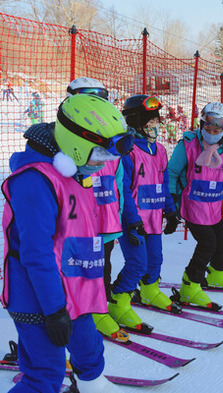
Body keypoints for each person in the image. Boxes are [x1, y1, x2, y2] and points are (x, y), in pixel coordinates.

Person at [2, 94, 130, 391]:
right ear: (76, 144)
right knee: (45, 375)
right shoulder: (35, 181)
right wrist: (54, 310)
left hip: (77, 291)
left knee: (90, 355)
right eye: (99, 155)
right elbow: (36, 253)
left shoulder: (76, 171)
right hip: (40, 299)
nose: (103, 165)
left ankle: (93, 386)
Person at [167, 102, 223, 308]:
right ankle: (189, 285)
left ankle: (217, 275)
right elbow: (171, 174)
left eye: (217, 130)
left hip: (214, 206)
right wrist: (170, 206)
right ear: (201, 125)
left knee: (221, 243)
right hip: (192, 205)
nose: (212, 134)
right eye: (208, 129)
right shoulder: (188, 145)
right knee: (207, 244)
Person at [65, 77, 130, 342]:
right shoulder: (66, 139)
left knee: (101, 267)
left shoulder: (112, 141)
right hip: (74, 226)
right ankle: (75, 315)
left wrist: (120, 214)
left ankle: (97, 309)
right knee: (71, 272)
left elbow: (119, 184)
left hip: (105, 222)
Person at [108, 95, 180, 331]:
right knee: (137, 263)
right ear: (135, 121)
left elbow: (163, 181)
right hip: (134, 220)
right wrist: (131, 220)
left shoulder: (159, 149)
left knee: (156, 260)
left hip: (154, 217)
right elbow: (123, 190)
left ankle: (149, 291)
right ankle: (118, 301)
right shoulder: (127, 151)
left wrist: (170, 211)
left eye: (156, 119)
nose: (155, 124)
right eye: (149, 120)